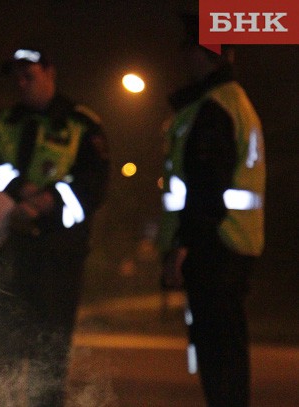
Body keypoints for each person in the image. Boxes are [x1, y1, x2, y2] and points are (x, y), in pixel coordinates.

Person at [0, 47, 110, 406]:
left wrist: (47, 204)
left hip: (58, 253)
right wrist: (19, 191)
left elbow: (94, 185)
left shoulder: (81, 123)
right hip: (9, 246)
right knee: (0, 346)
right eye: (16, 77)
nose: (21, 84)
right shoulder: (5, 121)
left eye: (28, 75)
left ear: (50, 72)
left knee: (49, 347)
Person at [157, 14, 266, 407]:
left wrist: (184, 246)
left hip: (215, 248)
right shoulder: (233, 103)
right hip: (231, 244)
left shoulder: (214, 108)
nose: (183, 58)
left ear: (206, 54)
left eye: (188, 49)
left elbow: (206, 186)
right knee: (226, 352)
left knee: (218, 355)